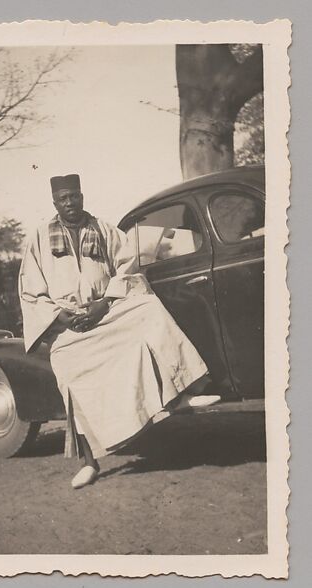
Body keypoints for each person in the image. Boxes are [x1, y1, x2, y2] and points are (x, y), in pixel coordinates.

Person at [19, 174, 219, 489]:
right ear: (55, 202)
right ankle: (90, 462)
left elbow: (127, 267)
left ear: (82, 196)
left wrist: (104, 303)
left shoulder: (104, 229)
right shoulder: (39, 238)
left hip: (104, 310)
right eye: (63, 199)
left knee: (147, 311)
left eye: (74, 196)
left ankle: (180, 392)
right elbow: (31, 292)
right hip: (67, 322)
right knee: (69, 374)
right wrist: (61, 318)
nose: (70, 203)